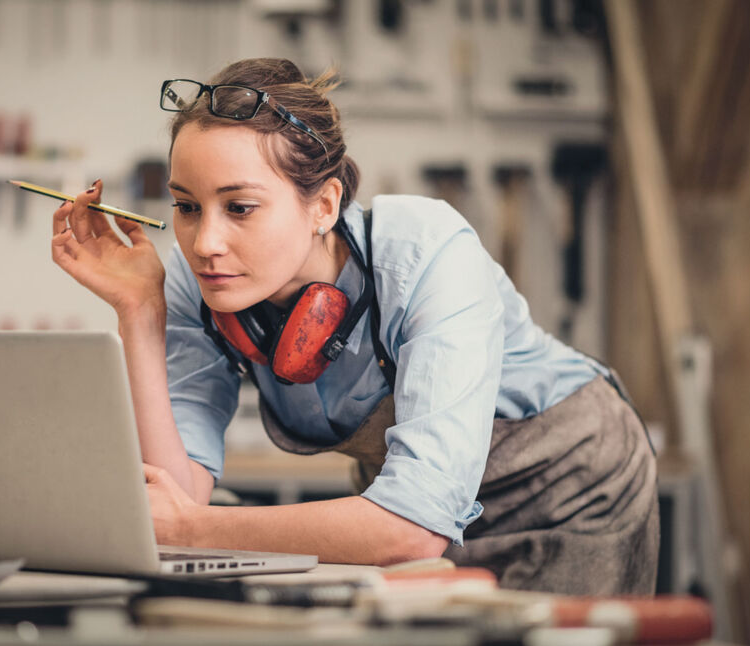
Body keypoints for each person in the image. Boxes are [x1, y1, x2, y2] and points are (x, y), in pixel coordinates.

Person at [50, 58, 658, 594]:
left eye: (240, 207)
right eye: (186, 206)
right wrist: (141, 315)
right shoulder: (195, 284)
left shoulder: (425, 252)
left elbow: (412, 528)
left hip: (567, 486)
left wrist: (196, 529)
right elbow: (177, 496)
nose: (205, 242)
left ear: (324, 205)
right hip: (402, 518)